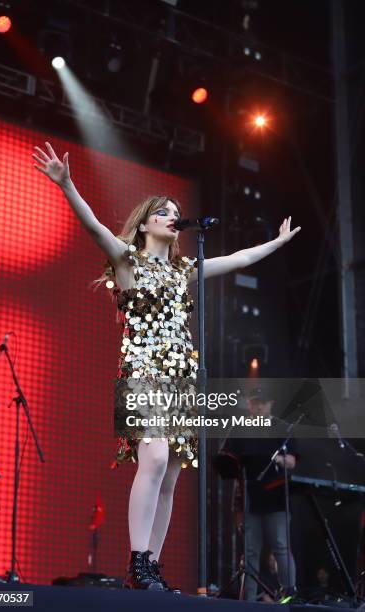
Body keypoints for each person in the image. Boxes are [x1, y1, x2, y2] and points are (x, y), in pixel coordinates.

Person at [32, 142, 301, 592]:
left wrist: (275, 242)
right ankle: (138, 560)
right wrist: (68, 185)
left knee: (171, 472)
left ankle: (151, 567)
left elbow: (236, 260)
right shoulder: (127, 260)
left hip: (180, 378)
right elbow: (94, 226)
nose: (173, 216)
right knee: (153, 455)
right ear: (146, 223)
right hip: (141, 369)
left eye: (177, 212)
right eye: (165, 211)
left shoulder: (184, 270)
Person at [222, 388, 298, 601]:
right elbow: (225, 458)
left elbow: (292, 461)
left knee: (281, 546)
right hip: (249, 498)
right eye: (255, 403)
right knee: (251, 552)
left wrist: (276, 460)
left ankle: (289, 594)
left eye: (262, 403)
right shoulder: (240, 429)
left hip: (276, 499)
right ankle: (249, 599)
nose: (259, 407)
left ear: (271, 404)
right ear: (249, 405)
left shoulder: (282, 428)